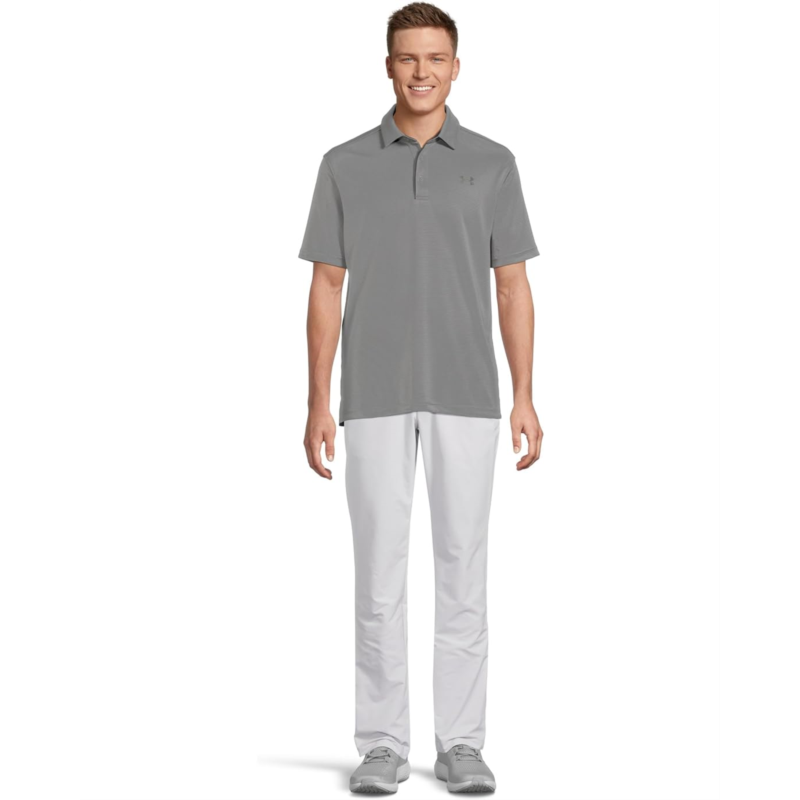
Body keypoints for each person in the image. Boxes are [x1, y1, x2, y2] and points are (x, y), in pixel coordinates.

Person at [298, 2, 542, 793]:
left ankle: (462, 744)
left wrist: (525, 395)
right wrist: (317, 401)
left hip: (468, 395)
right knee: (377, 578)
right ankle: (381, 745)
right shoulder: (343, 164)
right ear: (388, 67)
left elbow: (513, 286)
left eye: (435, 57)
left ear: (456, 67)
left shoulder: (494, 163)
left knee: (463, 572)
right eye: (408, 57)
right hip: (370, 396)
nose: (422, 71)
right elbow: (326, 285)